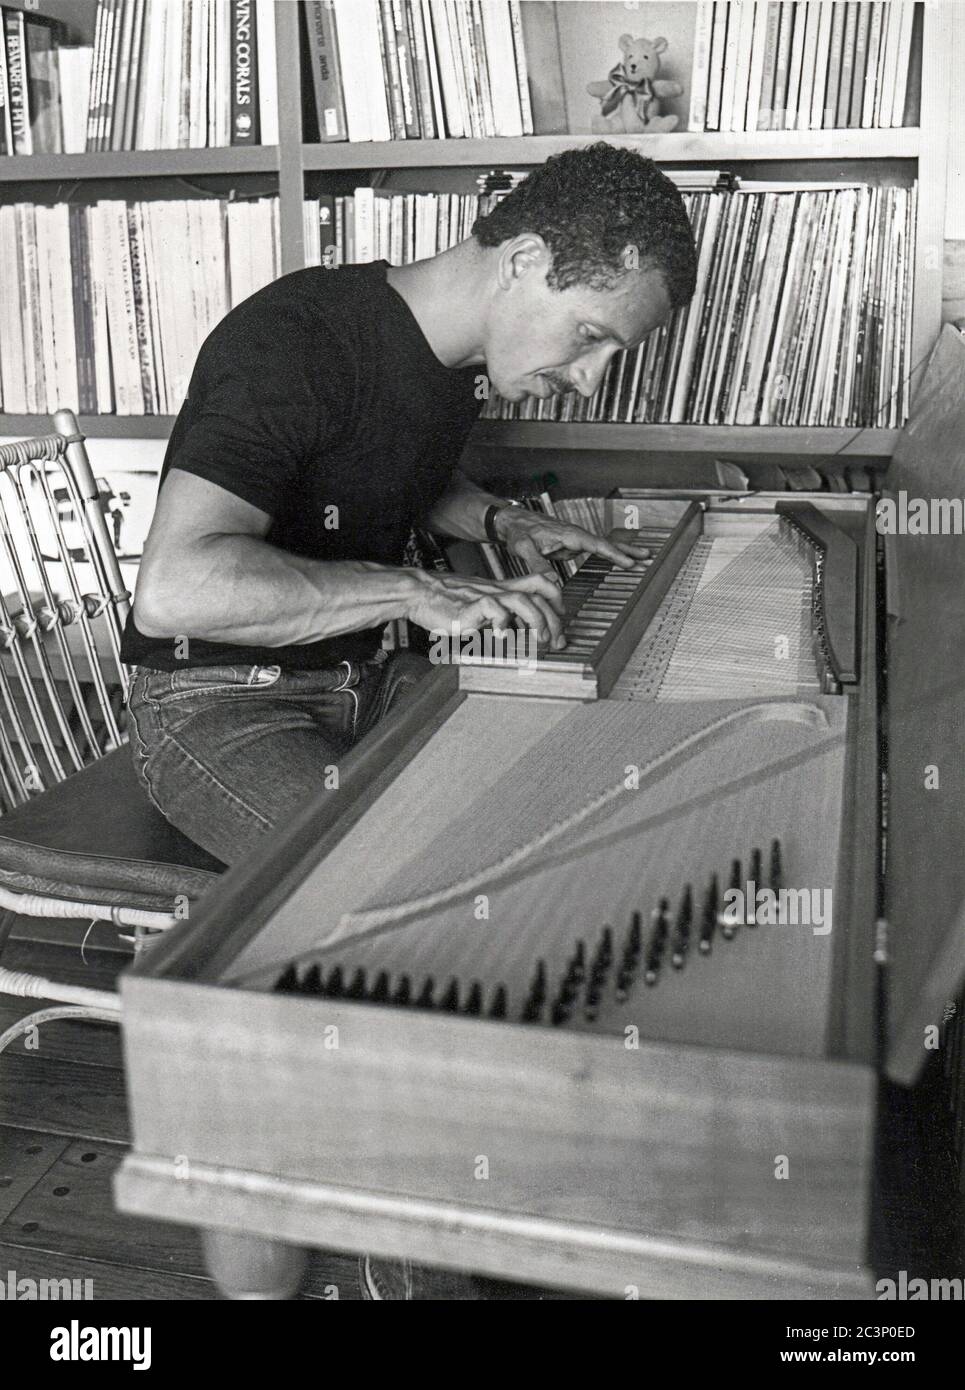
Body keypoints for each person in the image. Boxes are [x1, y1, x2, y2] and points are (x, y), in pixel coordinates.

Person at [122, 143, 696, 1299]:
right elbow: (176, 587)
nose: (588, 380)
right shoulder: (293, 338)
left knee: (552, 824)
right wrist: (409, 591)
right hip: (216, 706)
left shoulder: (441, 361)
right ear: (524, 259)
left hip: (364, 685)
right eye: (590, 337)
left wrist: (498, 522)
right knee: (405, 922)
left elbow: (383, 470)